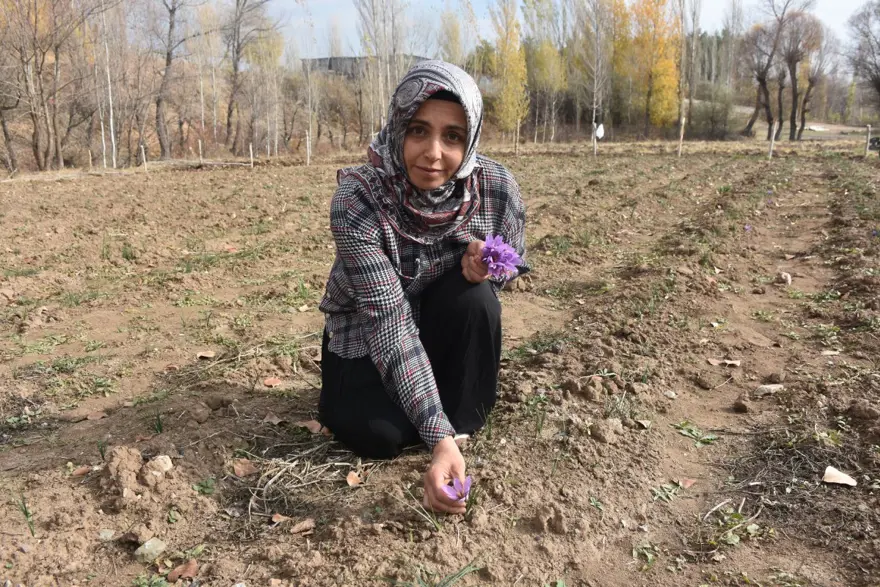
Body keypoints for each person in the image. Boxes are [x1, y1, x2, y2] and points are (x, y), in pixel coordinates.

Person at [318, 60, 527, 515]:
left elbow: (513, 263)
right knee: (380, 436)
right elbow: (388, 321)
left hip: (436, 318)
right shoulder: (359, 197)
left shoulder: (495, 189)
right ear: (397, 129)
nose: (433, 153)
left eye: (452, 136)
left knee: (477, 300)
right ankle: (438, 423)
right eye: (419, 130)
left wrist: (483, 269)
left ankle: (456, 426)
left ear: (468, 140)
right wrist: (436, 433)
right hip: (369, 329)